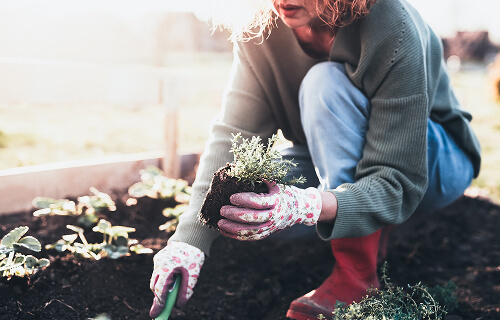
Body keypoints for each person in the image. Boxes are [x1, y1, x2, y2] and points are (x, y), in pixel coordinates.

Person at [149, 0, 481, 319]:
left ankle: (356, 278)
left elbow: (399, 181)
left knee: (325, 85)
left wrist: (306, 205)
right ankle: (364, 219)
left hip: (432, 163)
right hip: (333, 158)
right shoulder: (262, 28)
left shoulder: (391, 24)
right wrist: (189, 241)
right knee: (251, 204)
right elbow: (233, 136)